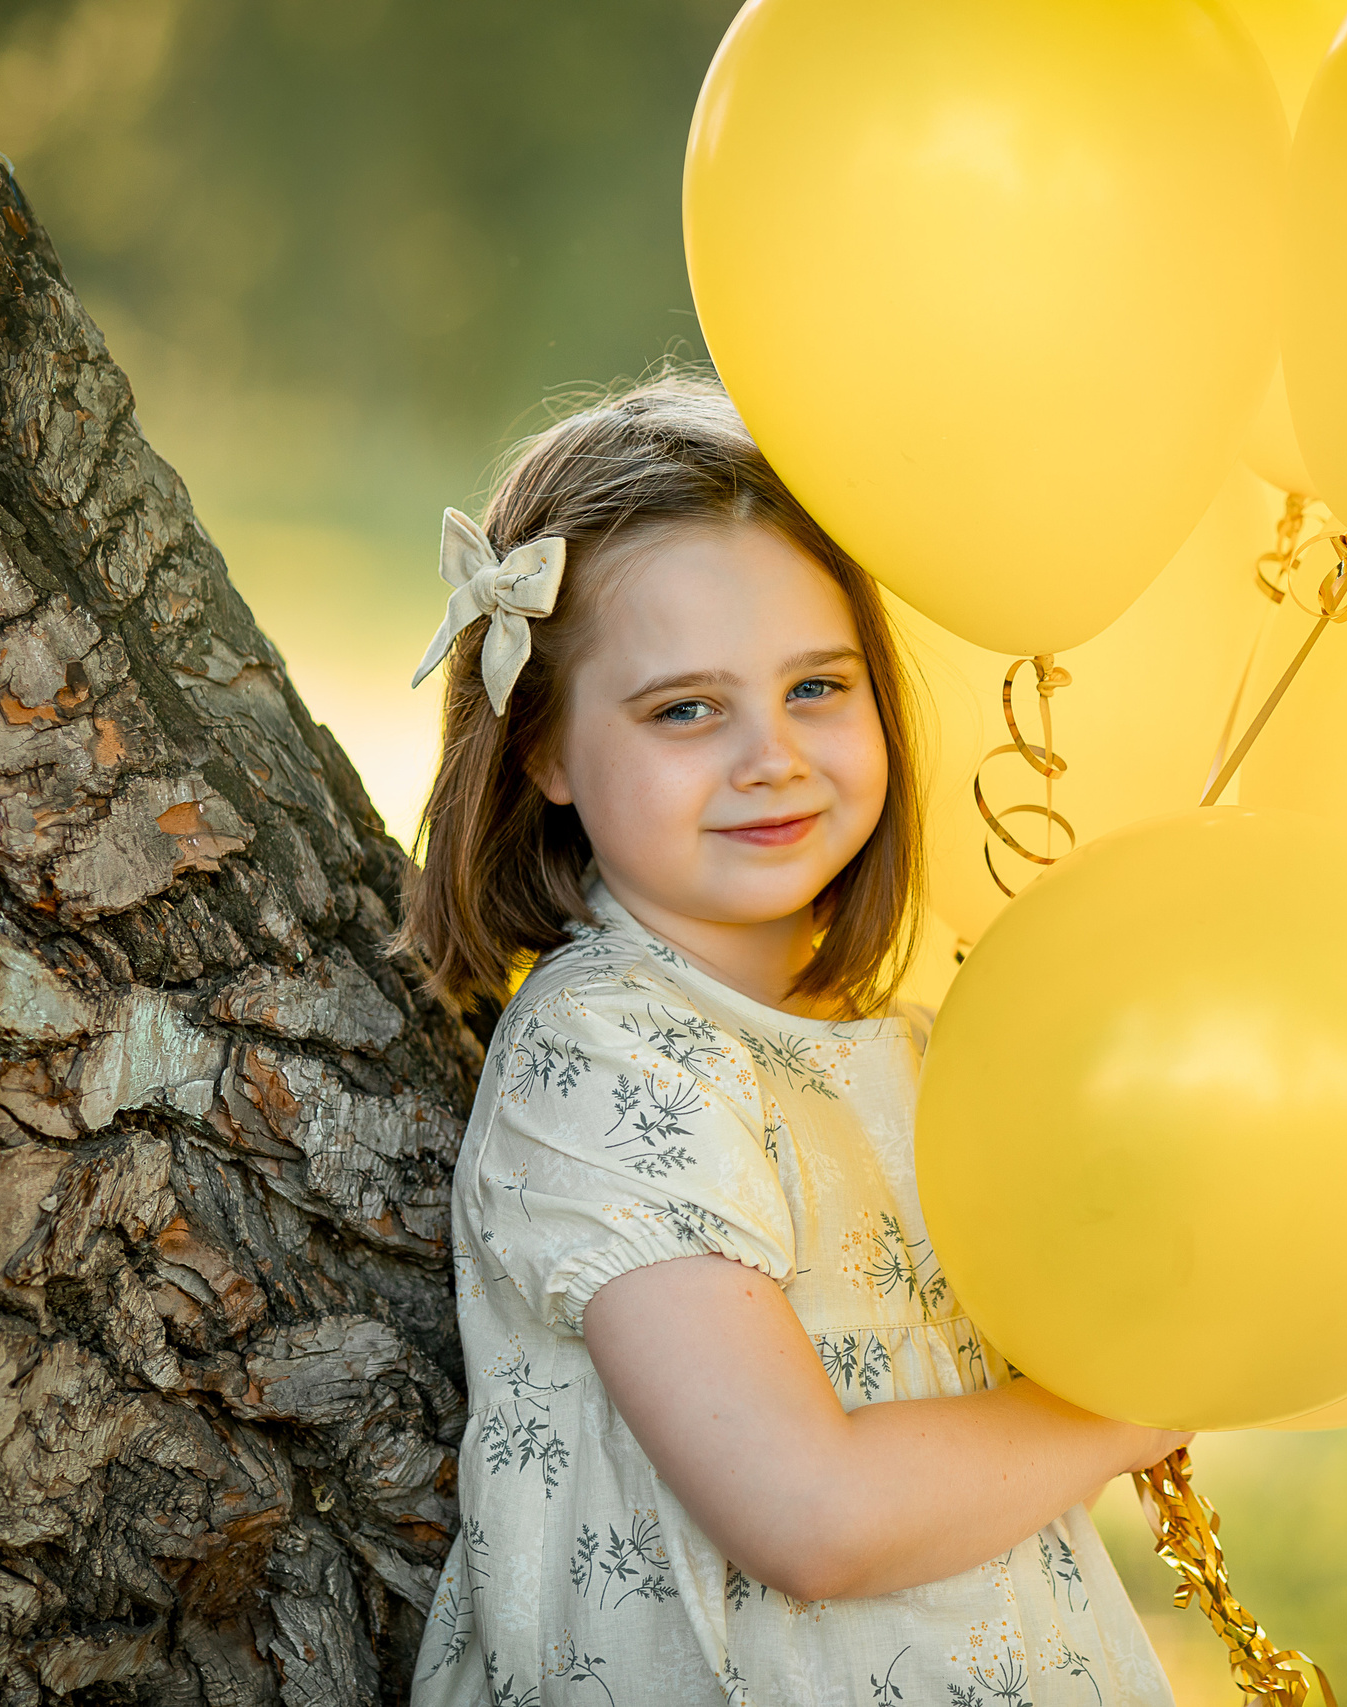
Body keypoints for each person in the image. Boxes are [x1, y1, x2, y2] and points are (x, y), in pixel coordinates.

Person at [395, 378, 1183, 1705]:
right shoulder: (613, 1060)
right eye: (685, 711)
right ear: (545, 751)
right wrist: (1123, 1413)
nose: (772, 759)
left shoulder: (910, 1046)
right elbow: (807, 1514)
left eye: (817, 687)